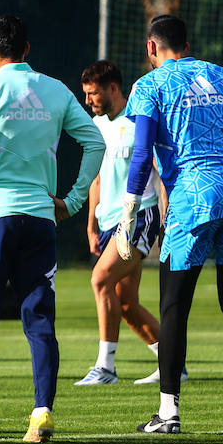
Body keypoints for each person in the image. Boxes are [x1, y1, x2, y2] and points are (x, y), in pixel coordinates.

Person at [0, 15, 105, 443]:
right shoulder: (54, 89)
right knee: (39, 319)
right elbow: (95, 142)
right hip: (39, 219)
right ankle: (41, 413)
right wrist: (71, 201)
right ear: (28, 49)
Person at [119, 15, 223, 435]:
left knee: (174, 307)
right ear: (186, 45)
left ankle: (168, 412)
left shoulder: (149, 85)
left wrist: (127, 217)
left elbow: (141, 157)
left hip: (193, 196)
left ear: (152, 48)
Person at [76, 59, 175, 386]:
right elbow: (97, 179)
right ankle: (173, 361)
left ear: (113, 89)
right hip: (107, 223)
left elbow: (163, 173)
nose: (89, 101)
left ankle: (105, 368)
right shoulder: (97, 126)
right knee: (126, 302)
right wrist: (91, 225)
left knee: (99, 280)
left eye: (93, 94)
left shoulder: (140, 123)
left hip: (138, 216)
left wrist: (167, 215)